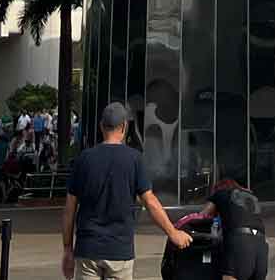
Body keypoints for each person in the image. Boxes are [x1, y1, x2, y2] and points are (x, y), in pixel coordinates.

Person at [62, 100, 191, 280]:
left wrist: (68, 249)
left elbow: (69, 210)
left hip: (88, 249)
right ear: (124, 127)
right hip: (119, 251)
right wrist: (173, 233)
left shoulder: (84, 159)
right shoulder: (134, 159)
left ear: (101, 126)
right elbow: (150, 202)